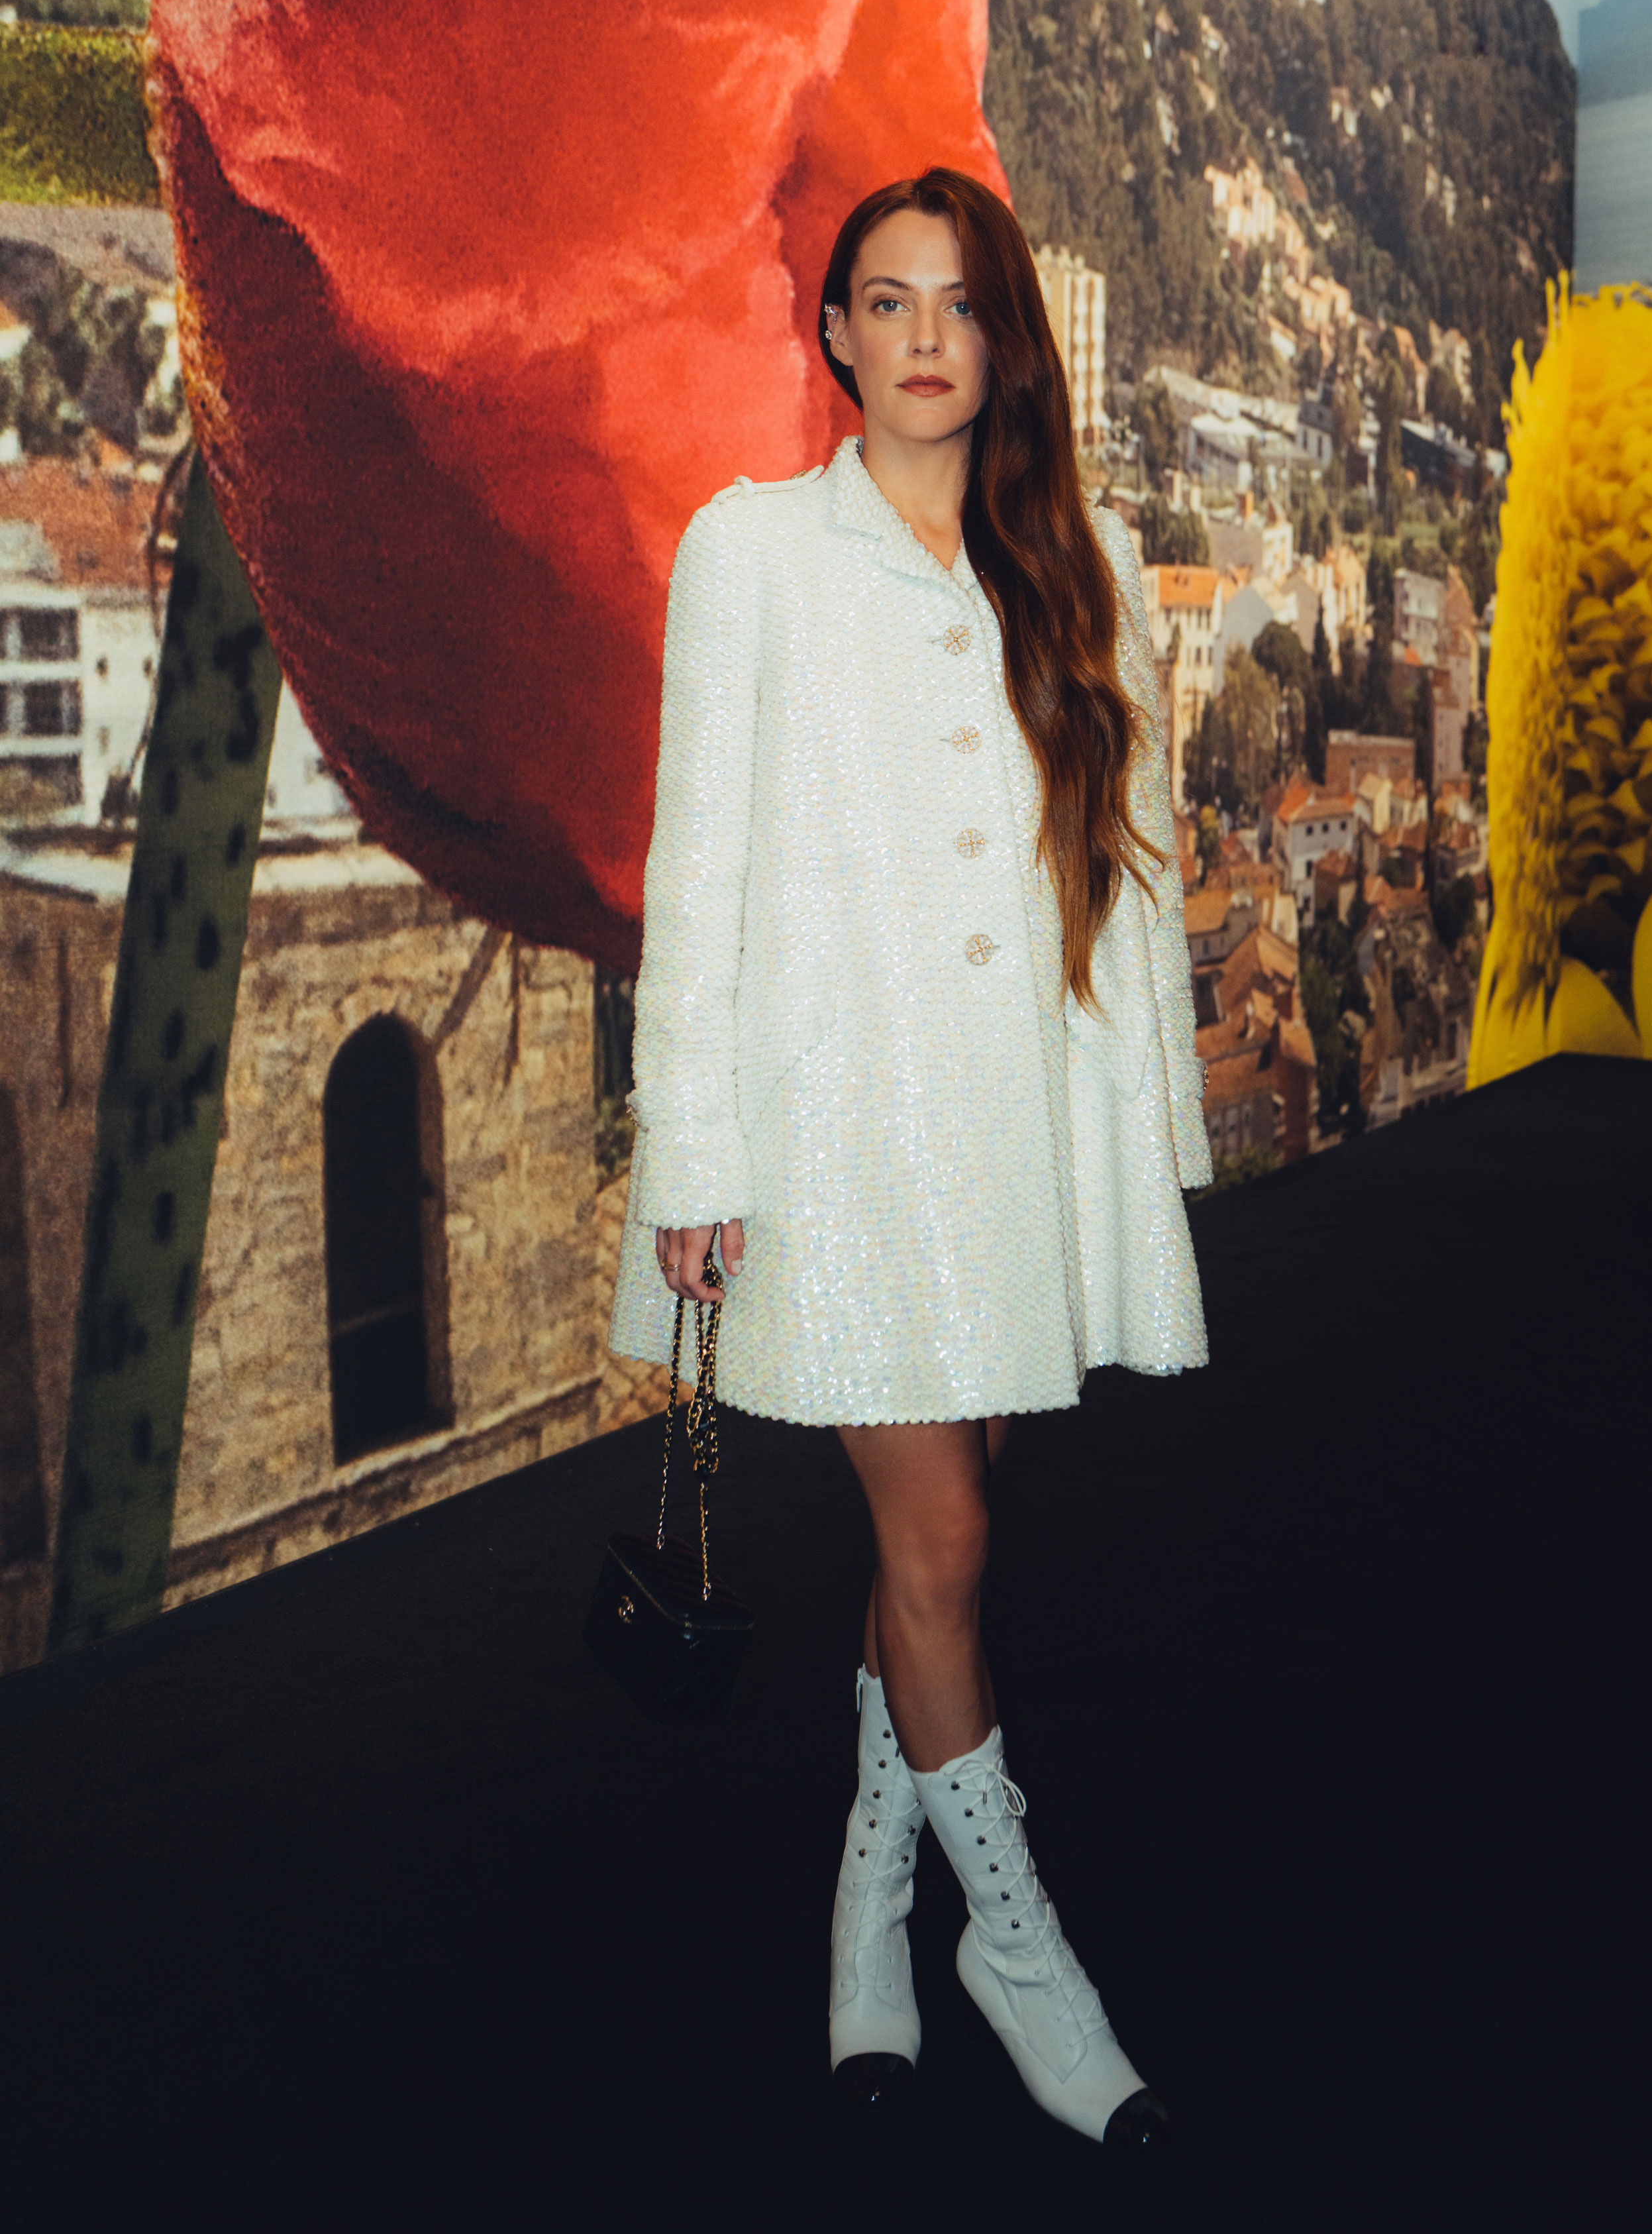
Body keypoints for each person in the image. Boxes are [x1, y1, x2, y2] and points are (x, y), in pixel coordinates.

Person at [607, 167, 1214, 2147]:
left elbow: (1127, 878)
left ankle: (871, 1897)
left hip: (1014, 1136)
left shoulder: (1074, 564)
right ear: (836, 337)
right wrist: (692, 1146)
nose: (928, 335)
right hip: (843, 1146)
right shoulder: (754, 553)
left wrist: (1139, 1141)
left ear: (1005, 337)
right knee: (941, 1548)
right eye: (889, 299)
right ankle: (1017, 1950)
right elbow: (696, 868)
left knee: (929, 1551)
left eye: (962, 301)